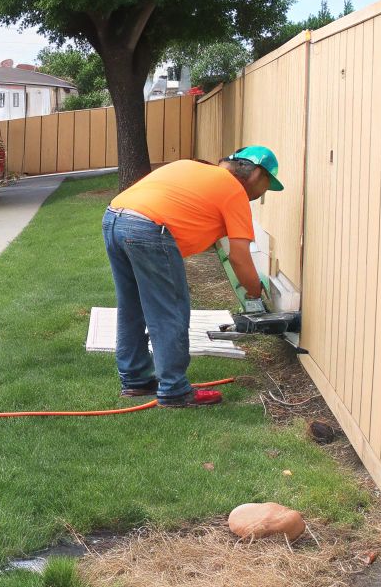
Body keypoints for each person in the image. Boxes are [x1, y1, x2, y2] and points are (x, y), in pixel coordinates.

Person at [103, 145, 282, 407]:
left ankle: (136, 380)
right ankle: (174, 390)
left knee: (132, 307)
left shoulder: (195, 169)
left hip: (113, 219)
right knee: (170, 311)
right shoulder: (233, 191)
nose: (263, 194)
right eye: (267, 186)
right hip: (148, 228)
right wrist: (255, 293)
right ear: (256, 175)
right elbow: (239, 256)